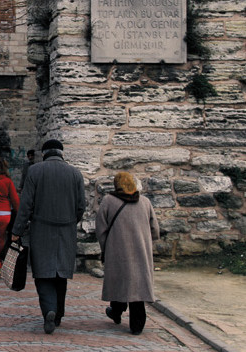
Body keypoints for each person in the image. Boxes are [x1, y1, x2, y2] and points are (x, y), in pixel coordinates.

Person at [11, 139, 86, 334]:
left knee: (43, 274)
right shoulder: (75, 173)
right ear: (61, 153)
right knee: (61, 274)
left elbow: (26, 205)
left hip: (41, 230)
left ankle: (49, 310)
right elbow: (81, 206)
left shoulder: (35, 171)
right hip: (66, 231)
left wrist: (17, 231)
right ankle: (58, 313)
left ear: (44, 153)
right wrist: (71, 221)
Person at [96, 171, 160, 335]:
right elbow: (155, 229)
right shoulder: (145, 202)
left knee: (120, 281)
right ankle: (137, 325)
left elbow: (101, 228)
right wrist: (145, 241)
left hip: (117, 250)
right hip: (140, 251)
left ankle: (116, 311)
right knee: (137, 286)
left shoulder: (108, 201)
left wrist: (106, 247)